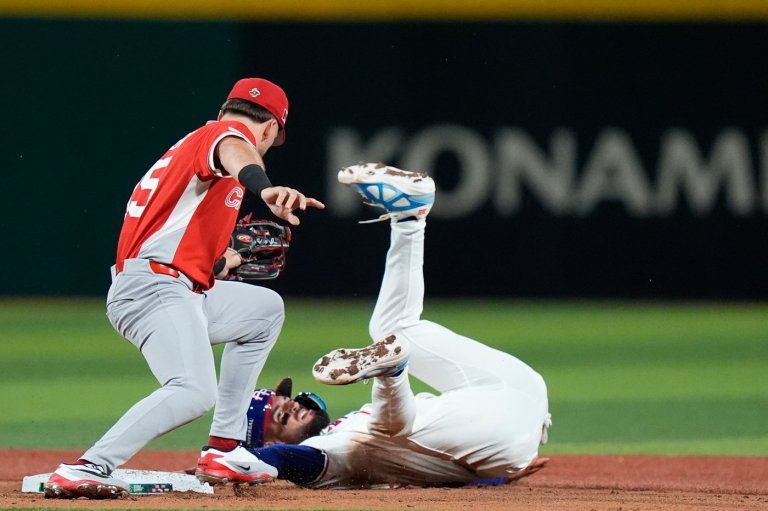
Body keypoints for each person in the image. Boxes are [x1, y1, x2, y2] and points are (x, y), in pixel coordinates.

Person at [44, 78, 325, 499]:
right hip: (153, 288)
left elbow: (177, 245)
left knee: (264, 310)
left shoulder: (200, 157)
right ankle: (86, 466)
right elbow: (235, 145)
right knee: (194, 390)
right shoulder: (221, 137)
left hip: (173, 284)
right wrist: (264, 186)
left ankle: (223, 449)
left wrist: (225, 261)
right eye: (271, 137)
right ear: (268, 129)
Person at [233, 163, 552, 488]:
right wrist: (230, 461)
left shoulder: (343, 441)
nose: (295, 405)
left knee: (395, 331)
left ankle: (409, 217)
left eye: (289, 401)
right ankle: (392, 368)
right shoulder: (325, 451)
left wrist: (501, 466)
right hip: (505, 422)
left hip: (504, 402)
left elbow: (437, 468)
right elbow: (286, 460)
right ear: (272, 443)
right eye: (282, 415)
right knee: (390, 355)